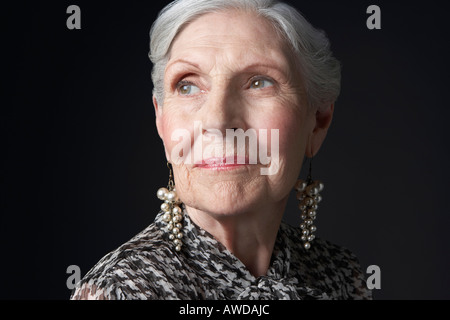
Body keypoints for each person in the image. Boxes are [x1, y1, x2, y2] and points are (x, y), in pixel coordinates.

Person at [71, 0, 372, 300]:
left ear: (317, 122)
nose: (218, 120)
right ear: (161, 121)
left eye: (259, 82)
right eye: (187, 85)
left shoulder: (342, 273)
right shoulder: (119, 290)